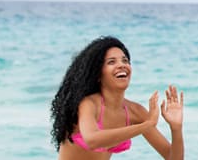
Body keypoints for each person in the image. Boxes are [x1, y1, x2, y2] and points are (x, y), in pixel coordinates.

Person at [50, 36, 184, 159]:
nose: (122, 65)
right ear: (97, 74)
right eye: (111, 62)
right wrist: (146, 125)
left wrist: (176, 128)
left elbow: (173, 158)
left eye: (125, 60)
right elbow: (92, 140)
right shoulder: (89, 104)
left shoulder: (134, 111)